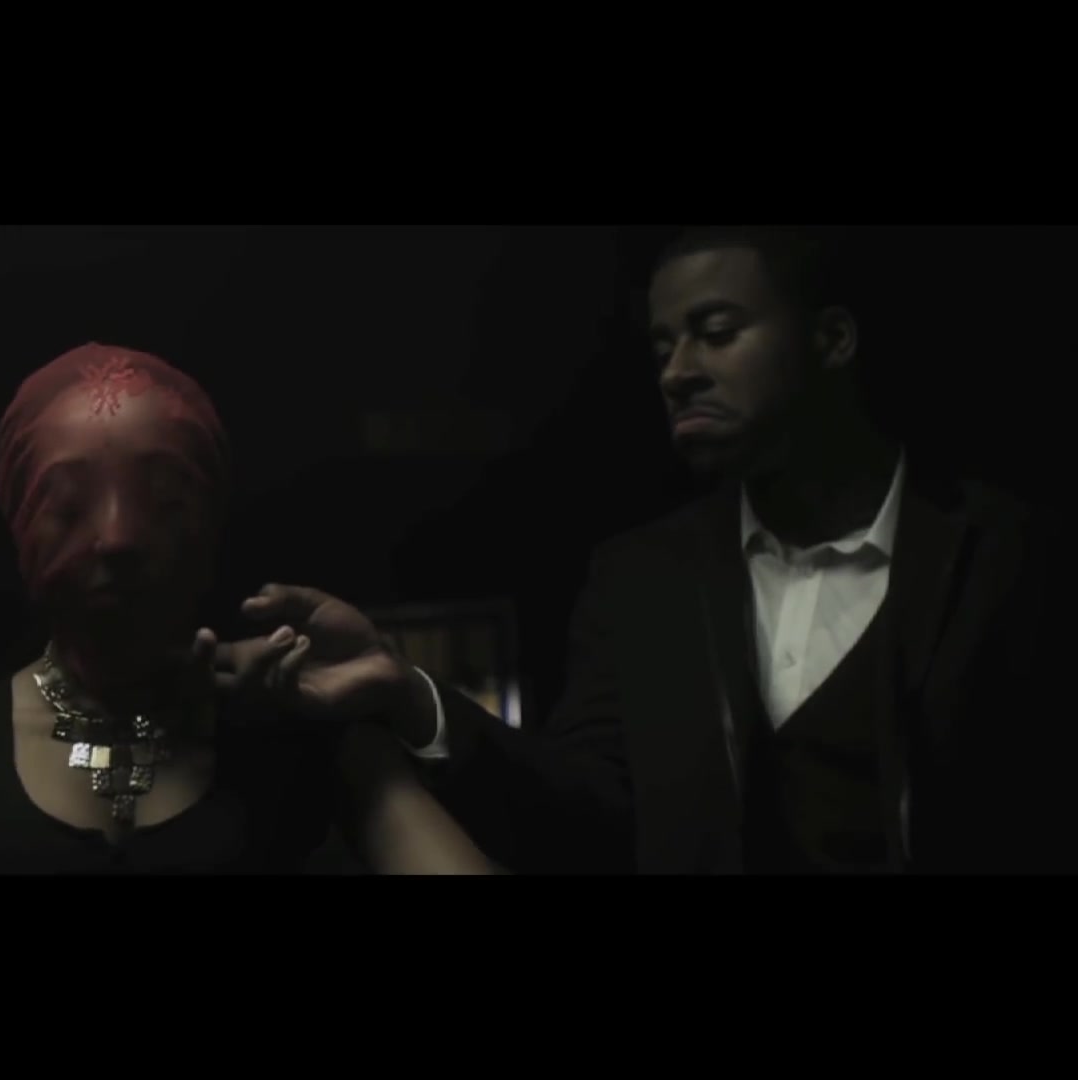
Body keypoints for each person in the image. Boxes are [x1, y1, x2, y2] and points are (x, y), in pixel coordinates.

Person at [216, 227, 1066, 874]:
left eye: (716, 331)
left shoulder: (1011, 554)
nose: (677, 371)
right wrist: (408, 693)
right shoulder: (644, 579)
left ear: (833, 340)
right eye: (663, 346)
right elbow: (580, 812)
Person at [0, 343, 494, 874]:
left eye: (162, 501)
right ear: (19, 522)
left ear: (211, 523)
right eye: (69, 505)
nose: (116, 538)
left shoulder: (308, 734)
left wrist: (386, 701)